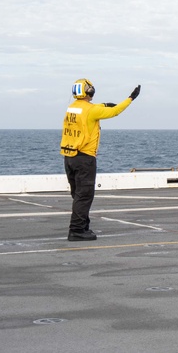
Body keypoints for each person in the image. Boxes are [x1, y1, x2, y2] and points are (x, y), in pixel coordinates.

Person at [60, 79, 140, 241]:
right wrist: (130, 98)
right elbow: (115, 111)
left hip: (69, 157)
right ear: (88, 91)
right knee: (84, 195)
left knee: (78, 194)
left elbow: (94, 109)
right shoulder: (91, 110)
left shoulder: (73, 108)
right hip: (85, 158)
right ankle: (76, 230)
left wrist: (104, 104)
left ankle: (83, 226)